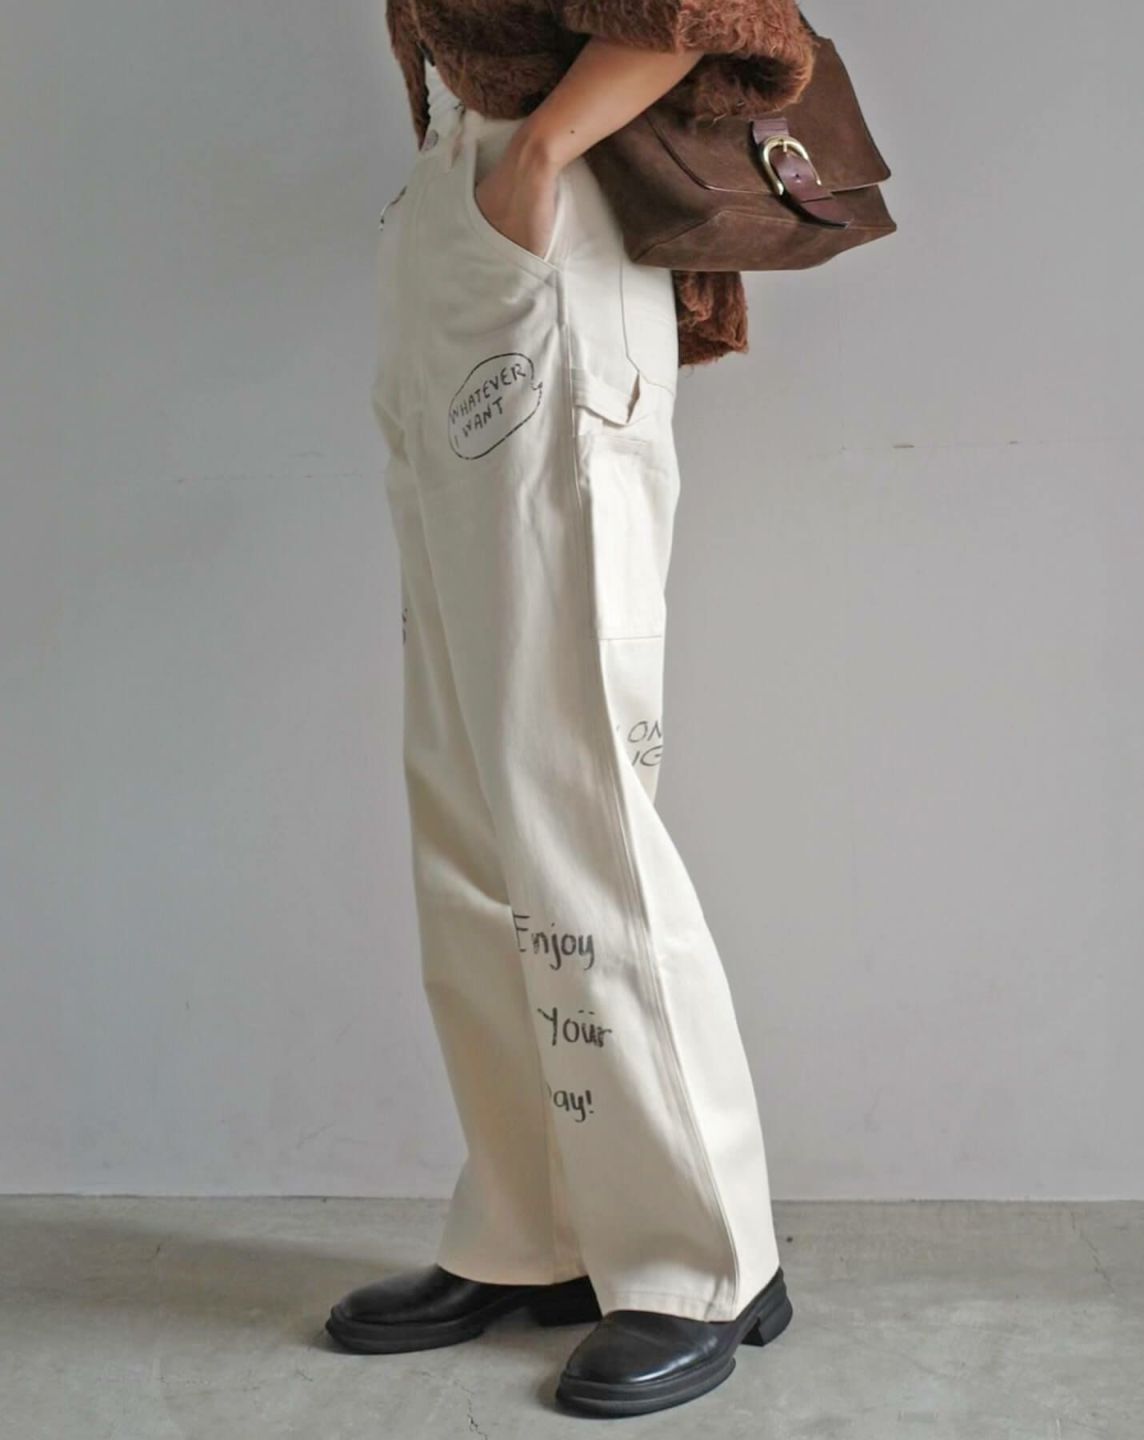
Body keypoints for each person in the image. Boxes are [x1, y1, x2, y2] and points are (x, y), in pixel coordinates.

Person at [325, 0, 819, 1419]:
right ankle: (534, 1228)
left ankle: (699, 1257)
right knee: (466, 792)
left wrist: (536, 159)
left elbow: (709, 13)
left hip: (537, 219)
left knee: (571, 782)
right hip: (461, 211)